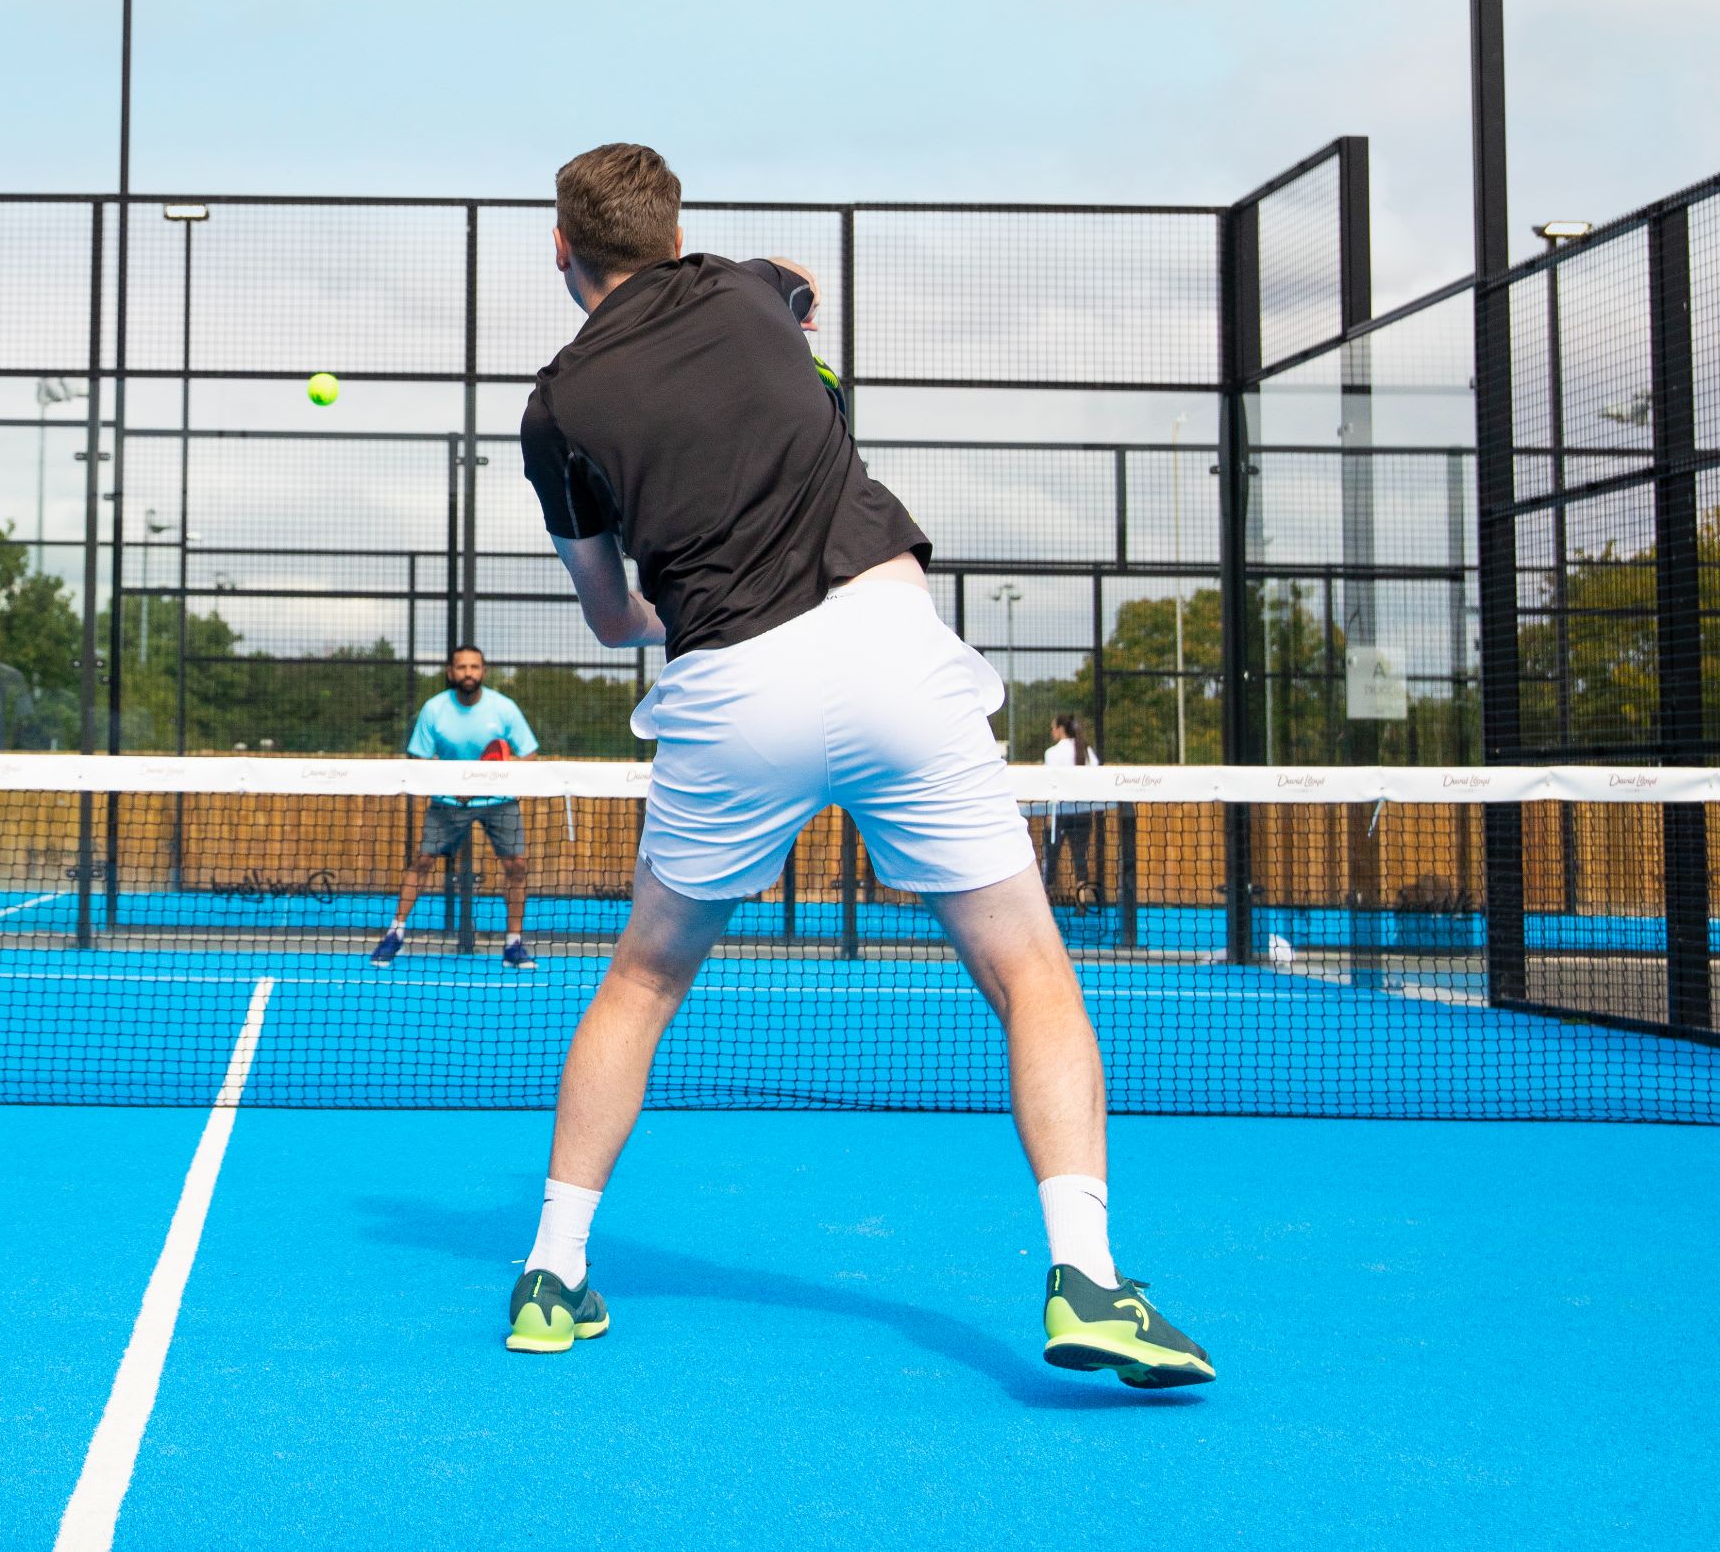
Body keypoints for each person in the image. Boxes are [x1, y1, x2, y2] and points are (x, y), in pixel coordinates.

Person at [497, 142, 1209, 1389]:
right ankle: (1089, 1280)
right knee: (1032, 973)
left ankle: (552, 1276)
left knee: (642, 981)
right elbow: (798, 282)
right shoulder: (745, 287)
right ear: (675, 234)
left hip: (727, 685)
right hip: (892, 649)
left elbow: (614, 621)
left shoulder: (553, 410)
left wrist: (711, 598)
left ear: (562, 249)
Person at [371, 646, 543, 968]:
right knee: (421, 862)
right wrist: (450, 786)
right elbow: (419, 759)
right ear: (451, 672)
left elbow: (529, 752)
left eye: (474, 667)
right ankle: (394, 935)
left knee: (517, 867)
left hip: (498, 801)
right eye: (462, 667)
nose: (468, 673)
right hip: (448, 801)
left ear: (483, 671)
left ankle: (514, 944)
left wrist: (501, 779)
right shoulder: (434, 710)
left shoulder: (503, 709)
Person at [1039, 714, 1110, 905]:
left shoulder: (1052, 753)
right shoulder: (1087, 752)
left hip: (1059, 813)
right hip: (1082, 812)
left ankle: (1046, 902)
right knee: (1080, 857)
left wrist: (1049, 814)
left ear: (1060, 729)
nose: (1052, 731)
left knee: (1050, 858)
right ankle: (1081, 902)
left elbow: (1050, 785)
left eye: (1053, 727)